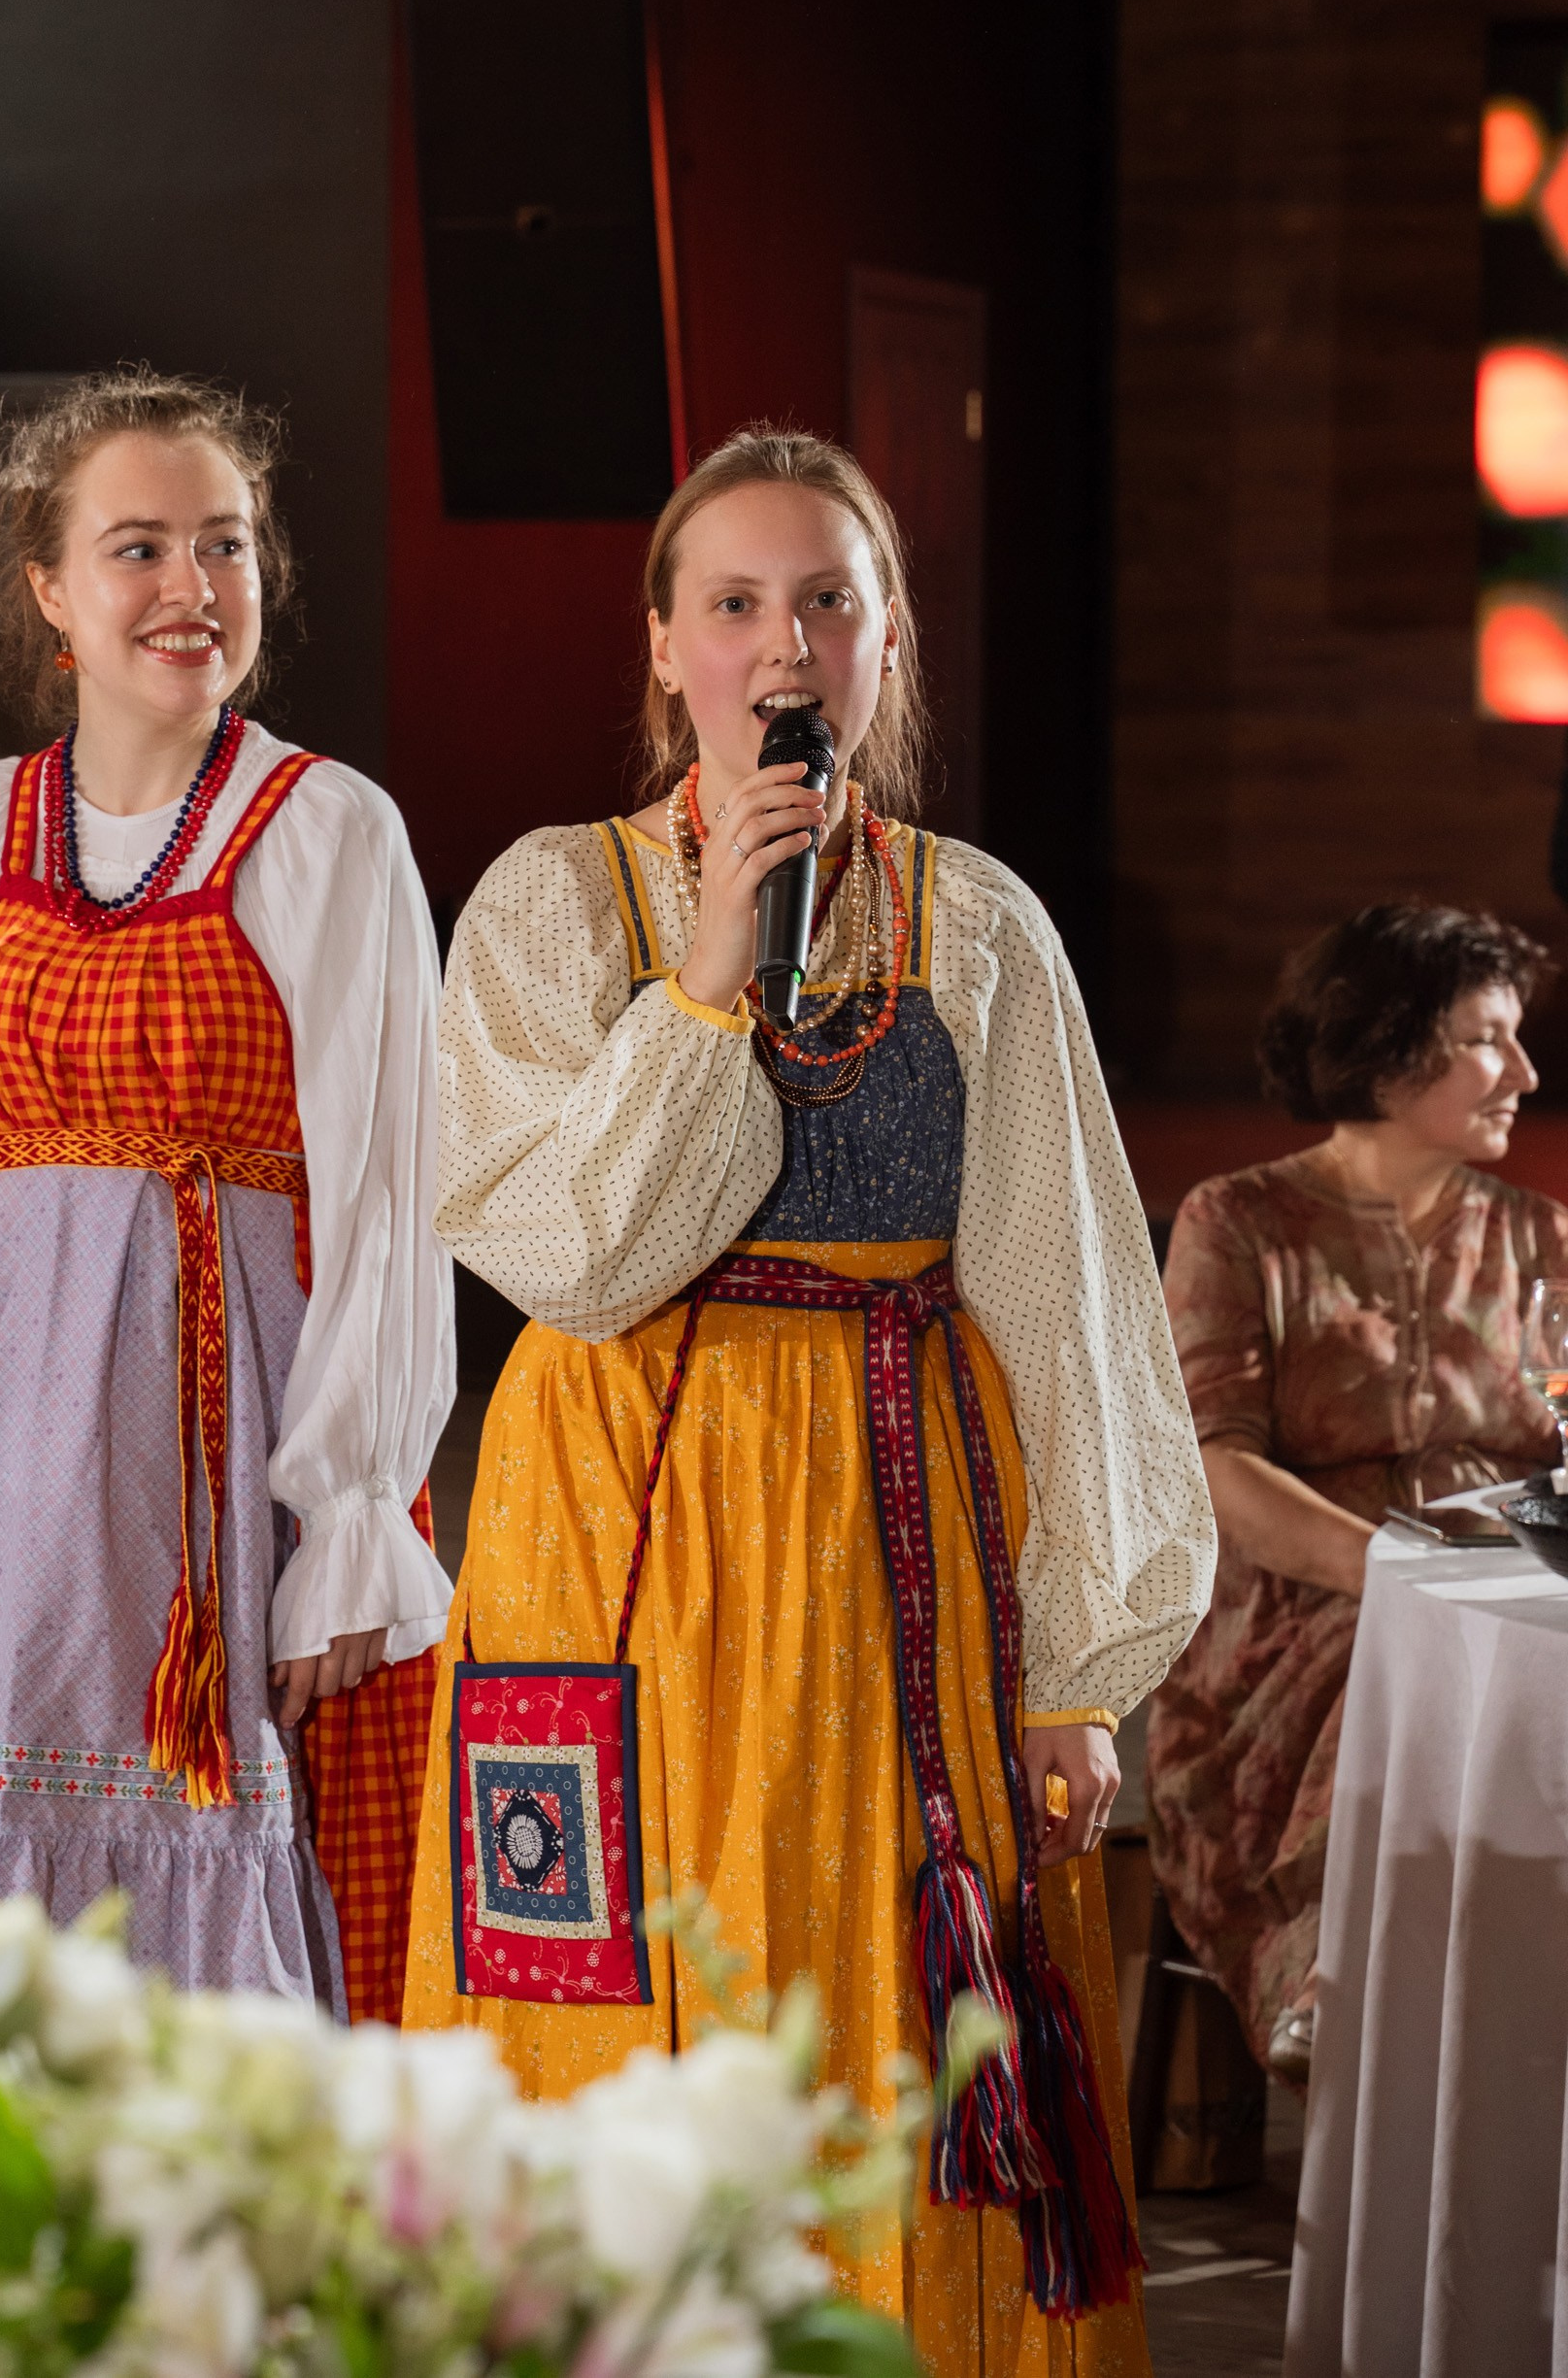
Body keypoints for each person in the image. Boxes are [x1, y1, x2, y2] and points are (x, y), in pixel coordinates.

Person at [401, 428, 1215, 2374]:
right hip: (609, 1535)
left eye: (829, 601)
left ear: (887, 648)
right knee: (618, 1982)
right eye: (740, 601)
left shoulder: (981, 925)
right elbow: (577, 1258)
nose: (785, 643)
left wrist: (1081, 1660)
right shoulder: (549, 905)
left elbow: (1068, 1293)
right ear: (665, 640)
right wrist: (704, 972)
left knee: (870, 1990)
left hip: (888, 1528)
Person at [0, 372, 452, 2009]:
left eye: (227, 544)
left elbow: (392, 1203)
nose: (191, 590)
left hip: (202, 1453)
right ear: (50, 588)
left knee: (184, 1877)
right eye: (139, 547)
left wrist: (344, 1504)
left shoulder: (331, 831)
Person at [1147, 902, 1564, 2085]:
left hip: (1505, 1590)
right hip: (1293, 1619)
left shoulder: (1539, 1237)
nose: (1524, 1073)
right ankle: (1335, 1970)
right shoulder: (1244, 1222)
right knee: (1396, 1651)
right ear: (1389, 1048)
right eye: (1488, 1039)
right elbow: (1215, 1468)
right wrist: (1401, 1574)